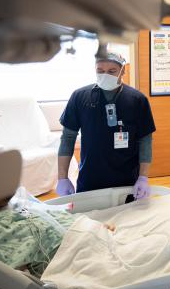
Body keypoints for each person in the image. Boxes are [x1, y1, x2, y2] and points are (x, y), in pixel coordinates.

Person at [55, 52, 156, 199]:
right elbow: (67, 138)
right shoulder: (79, 96)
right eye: (100, 71)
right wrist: (62, 178)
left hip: (127, 180)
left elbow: (145, 140)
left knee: (127, 219)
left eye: (111, 71)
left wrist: (143, 177)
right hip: (90, 178)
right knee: (91, 220)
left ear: (123, 71)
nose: (105, 75)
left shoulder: (137, 100)